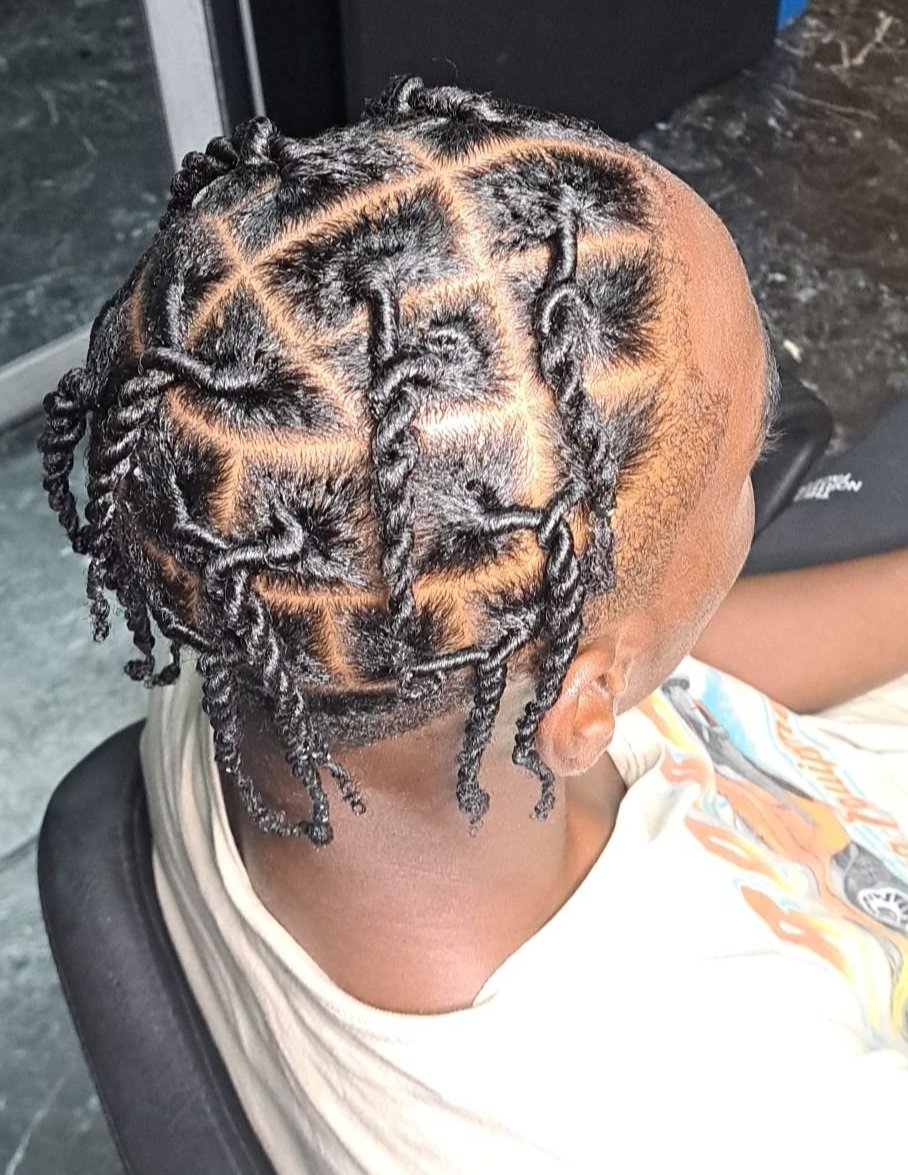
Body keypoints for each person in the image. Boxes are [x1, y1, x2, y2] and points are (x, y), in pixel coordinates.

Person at [39, 78, 908, 1173]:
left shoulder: (273, 605)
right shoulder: (756, 1113)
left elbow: (682, 680)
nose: (762, 449)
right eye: (743, 460)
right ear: (581, 700)